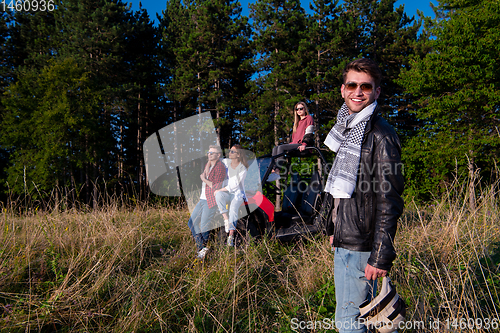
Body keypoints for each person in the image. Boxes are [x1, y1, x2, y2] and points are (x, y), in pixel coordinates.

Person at [323, 58, 404, 333]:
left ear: (376, 92)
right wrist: (334, 227)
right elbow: (342, 192)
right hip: (345, 240)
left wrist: (380, 255)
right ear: (343, 89)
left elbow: (388, 200)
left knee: (350, 322)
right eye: (352, 85)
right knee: (363, 317)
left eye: (366, 87)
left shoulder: (381, 135)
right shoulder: (346, 129)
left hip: (362, 246)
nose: (358, 92)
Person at [187, 145, 227, 259]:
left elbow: (216, 186)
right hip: (202, 198)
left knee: (204, 226)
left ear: (218, 155)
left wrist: (204, 179)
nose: (209, 154)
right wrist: (209, 163)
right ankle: (202, 248)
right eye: (208, 152)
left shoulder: (220, 167)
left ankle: (202, 251)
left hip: (211, 199)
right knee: (191, 222)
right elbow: (206, 172)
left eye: (212, 153)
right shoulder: (209, 165)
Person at [214, 144, 248, 247]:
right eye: (230, 151)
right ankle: (225, 219)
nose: (230, 153)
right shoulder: (227, 163)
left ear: (238, 155)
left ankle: (231, 236)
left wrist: (220, 189)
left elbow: (234, 185)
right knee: (218, 195)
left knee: (233, 208)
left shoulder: (243, 169)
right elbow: (219, 159)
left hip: (237, 193)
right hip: (228, 193)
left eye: (233, 152)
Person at [271, 102, 314, 174]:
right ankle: (272, 169)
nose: (299, 110)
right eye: (297, 109)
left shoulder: (308, 118)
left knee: (281, 148)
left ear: (305, 109)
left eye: (301, 108)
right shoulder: (296, 123)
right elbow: (294, 139)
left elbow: (309, 133)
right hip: (295, 145)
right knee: (275, 148)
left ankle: (277, 170)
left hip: (302, 146)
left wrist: (304, 144)